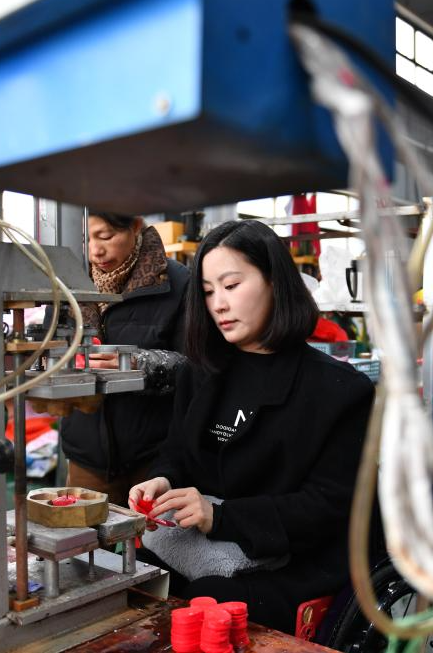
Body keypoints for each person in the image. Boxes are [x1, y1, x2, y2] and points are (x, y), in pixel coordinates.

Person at [129, 220, 375, 633]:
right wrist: (162, 480)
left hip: (296, 560)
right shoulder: (201, 372)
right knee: (132, 579)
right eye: (208, 291)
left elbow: (329, 506)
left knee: (209, 604)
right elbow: (178, 451)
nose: (219, 304)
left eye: (231, 285)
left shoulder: (338, 391)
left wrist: (220, 516)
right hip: (208, 545)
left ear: (275, 282)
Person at [60, 212, 189, 506]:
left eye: (106, 236)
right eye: (85, 239)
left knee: (153, 534)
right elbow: (49, 344)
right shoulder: (68, 282)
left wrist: (138, 363)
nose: (95, 251)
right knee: (82, 534)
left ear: (135, 225)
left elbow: (196, 367)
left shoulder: (177, 283)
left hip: (153, 460)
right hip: (86, 457)